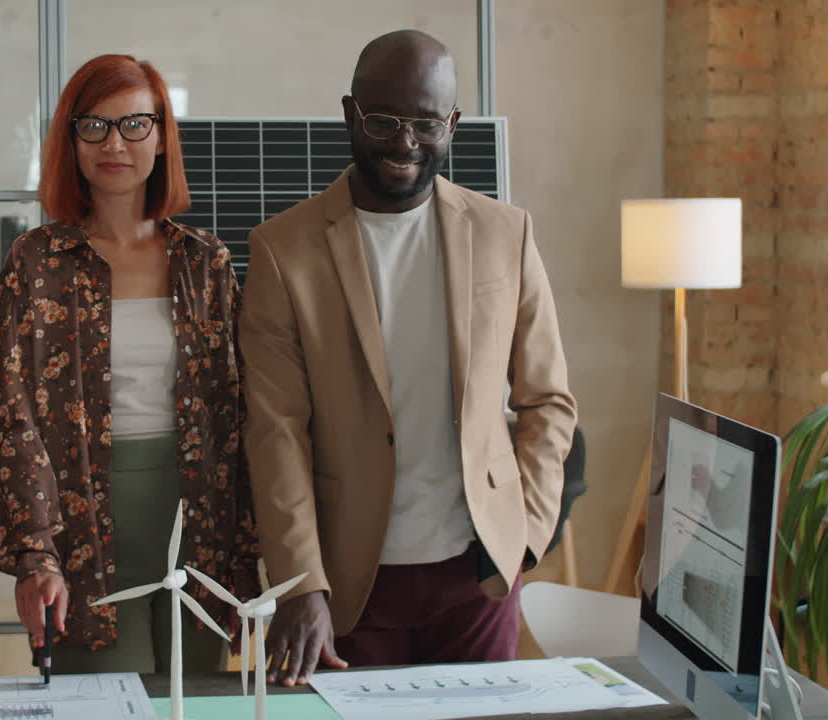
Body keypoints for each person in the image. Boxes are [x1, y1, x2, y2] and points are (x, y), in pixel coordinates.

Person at [240, 30, 577, 685]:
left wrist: (525, 534)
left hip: (478, 576)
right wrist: (301, 581)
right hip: (346, 584)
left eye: (426, 123)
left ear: (453, 123)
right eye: (384, 120)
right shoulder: (283, 250)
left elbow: (548, 399)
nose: (405, 142)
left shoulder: (507, 233)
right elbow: (275, 431)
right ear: (349, 114)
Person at [0, 54, 258, 673]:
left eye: (135, 124)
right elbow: (12, 419)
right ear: (71, 139)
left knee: (193, 704)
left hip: (201, 528)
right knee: (108, 703)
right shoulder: (36, 262)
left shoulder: (205, 261)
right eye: (95, 126)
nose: (115, 143)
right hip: (80, 532)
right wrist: (35, 554)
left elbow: (240, 413)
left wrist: (248, 551)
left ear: (162, 138)